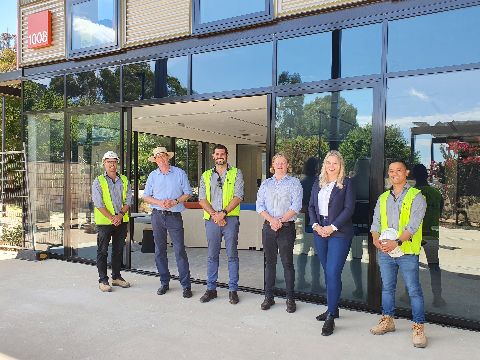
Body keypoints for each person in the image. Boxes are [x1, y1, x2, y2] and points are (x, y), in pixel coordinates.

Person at [370, 160, 428, 348]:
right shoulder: (383, 197)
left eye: (398, 170)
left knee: (413, 290)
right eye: (391, 171)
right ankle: (388, 320)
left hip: (406, 251)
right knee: (387, 288)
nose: (394, 173)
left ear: (406, 172)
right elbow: (376, 223)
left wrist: (397, 242)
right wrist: (376, 240)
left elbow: (413, 225)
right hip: (386, 251)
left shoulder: (417, 196)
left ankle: (418, 328)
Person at [308, 150, 355, 336]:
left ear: (340, 165)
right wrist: (315, 225)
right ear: (324, 165)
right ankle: (333, 308)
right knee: (328, 272)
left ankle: (330, 317)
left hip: (339, 232)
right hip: (320, 231)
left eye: (335, 163)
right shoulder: (317, 183)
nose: (331, 166)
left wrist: (333, 227)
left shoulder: (346, 183)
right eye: (328, 162)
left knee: (333, 271)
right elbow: (311, 206)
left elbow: (349, 208)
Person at [143, 146, 193, 298]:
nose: (161, 159)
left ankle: (186, 285)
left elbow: (188, 193)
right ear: (155, 160)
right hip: (157, 215)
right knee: (159, 251)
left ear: (168, 157)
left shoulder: (179, 173)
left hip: (174, 216)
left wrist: (175, 201)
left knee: (179, 251)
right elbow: (146, 196)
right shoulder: (153, 175)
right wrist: (159, 202)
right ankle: (164, 282)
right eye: (158, 157)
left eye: (163, 156)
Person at [256, 153, 302, 313]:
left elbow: (296, 206)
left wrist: (280, 221)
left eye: (283, 163)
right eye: (277, 162)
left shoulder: (295, 183)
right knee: (270, 263)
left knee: (287, 264)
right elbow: (259, 206)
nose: (280, 165)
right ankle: (269, 297)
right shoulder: (266, 184)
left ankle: (290, 299)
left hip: (286, 228)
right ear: (273, 165)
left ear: (287, 165)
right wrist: (272, 221)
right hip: (269, 228)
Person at [198, 144, 244, 304]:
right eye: (217, 154)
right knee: (212, 256)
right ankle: (211, 289)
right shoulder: (205, 176)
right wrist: (214, 215)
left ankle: (233, 290)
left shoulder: (236, 173)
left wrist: (223, 213)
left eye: (222, 154)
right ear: (213, 156)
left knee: (232, 255)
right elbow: (201, 199)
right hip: (211, 220)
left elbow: (238, 196)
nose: (220, 156)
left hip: (230, 219)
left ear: (227, 155)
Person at [92, 151, 132, 292]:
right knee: (102, 251)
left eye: (114, 161)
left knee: (118, 250)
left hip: (121, 221)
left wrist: (119, 215)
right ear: (104, 163)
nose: (112, 164)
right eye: (109, 162)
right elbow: (98, 203)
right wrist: (111, 218)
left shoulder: (125, 180)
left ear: (117, 163)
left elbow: (128, 200)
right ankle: (103, 280)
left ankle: (116, 277)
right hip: (105, 222)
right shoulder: (98, 181)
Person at [412, 164, 446, 307]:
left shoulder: (411, 193)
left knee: (411, 267)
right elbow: (440, 212)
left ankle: (409, 296)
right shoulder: (437, 193)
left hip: (414, 236)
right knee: (434, 266)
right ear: (426, 176)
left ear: (413, 177)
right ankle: (438, 297)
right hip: (432, 235)